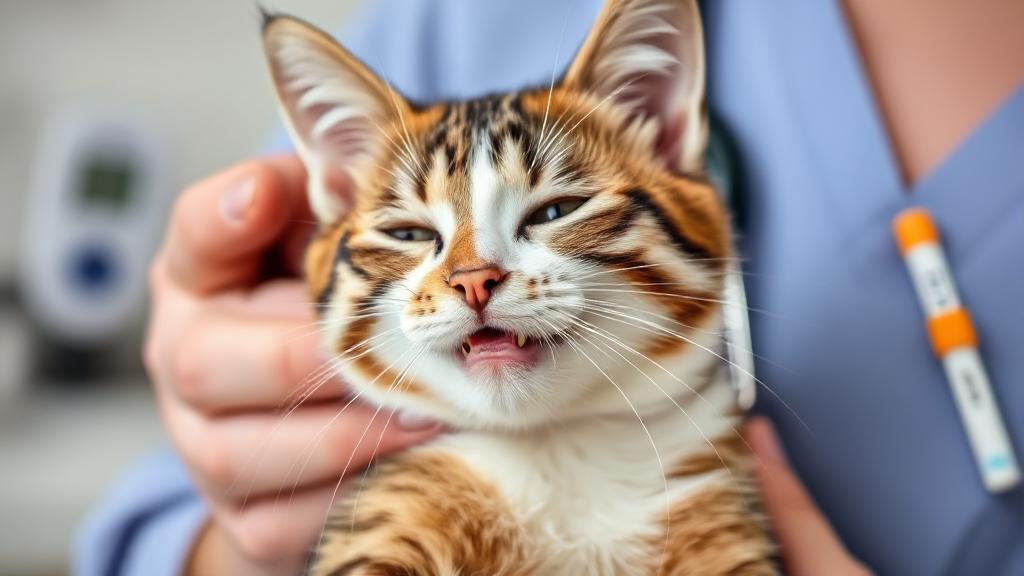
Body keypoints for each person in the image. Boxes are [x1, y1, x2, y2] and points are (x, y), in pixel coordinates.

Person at [75, 0, 1023, 574]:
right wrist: (252, 539)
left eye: (552, 212)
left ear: (662, 127)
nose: (473, 278)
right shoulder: (457, 17)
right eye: (411, 235)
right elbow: (146, 531)